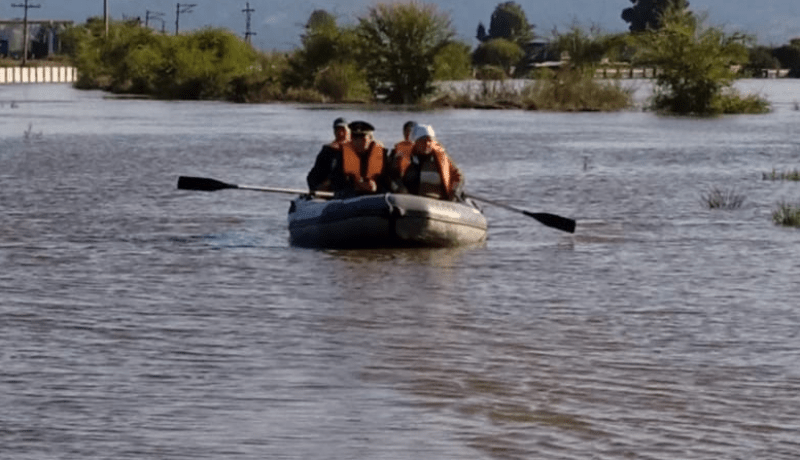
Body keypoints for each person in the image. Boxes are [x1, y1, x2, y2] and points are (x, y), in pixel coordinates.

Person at [389, 123, 464, 201]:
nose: (427, 144)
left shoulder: (442, 158)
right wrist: (400, 189)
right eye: (423, 141)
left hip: (435, 201)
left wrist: (454, 192)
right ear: (416, 142)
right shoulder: (403, 157)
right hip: (409, 200)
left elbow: (459, 176)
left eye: (430, 141)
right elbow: (392, 177)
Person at [339, 120, 389, 196]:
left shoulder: (382, 154)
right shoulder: (342, 154)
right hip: (350, 196)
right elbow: (336, 179)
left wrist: (375, 186)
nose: (358, 141)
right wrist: (355, 185)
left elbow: (389, 180)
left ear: (370, 138)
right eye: (355, 137)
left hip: (376, 197)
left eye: (362, 137)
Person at [306, 117, 349, 193]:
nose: (340, 133)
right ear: (334, 132)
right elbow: (313, 176)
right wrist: (317, 187)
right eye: (338, 130)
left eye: (343, 130)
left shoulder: (357, 151)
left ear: (349, 132)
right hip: (332, 191)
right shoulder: (327, 151)